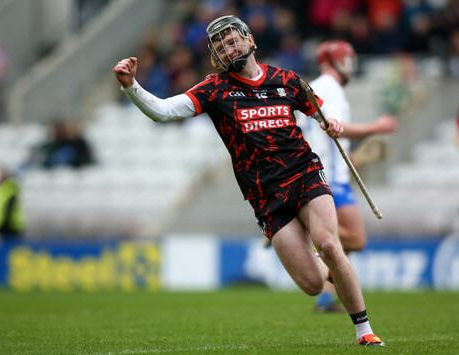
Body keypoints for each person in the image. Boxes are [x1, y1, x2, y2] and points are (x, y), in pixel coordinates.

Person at [113, 15, 384, 346]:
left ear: (249, 40)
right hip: (265, 196)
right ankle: (327, 267)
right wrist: (131, 86)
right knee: (313, 285)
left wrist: (334, 124)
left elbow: (323, 114)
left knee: (329, 244)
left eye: (231, 41)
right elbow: (163, 111)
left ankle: (364, 332)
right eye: (220, 46)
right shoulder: (214, 88)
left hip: (304, 174)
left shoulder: (287, 80)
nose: (228, 49)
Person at [296, 40, 397, 313]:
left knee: (342, 245)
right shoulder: (331, 87)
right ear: (337, 61)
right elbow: (337, 127)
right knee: (355, 239)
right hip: (330, 177)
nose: (350, 66)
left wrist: (344, 158)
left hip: (324, 170)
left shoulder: (318, 86)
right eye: (348, 60)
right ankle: (306, 232)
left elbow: (321, 133)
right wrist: (379, 126)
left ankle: (326, 299)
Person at [0, 167, 25, 241]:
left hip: (8, 226)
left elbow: (8, 208)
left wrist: (3, 225)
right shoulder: (1, 188)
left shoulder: (9, 188)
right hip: (0, 225)